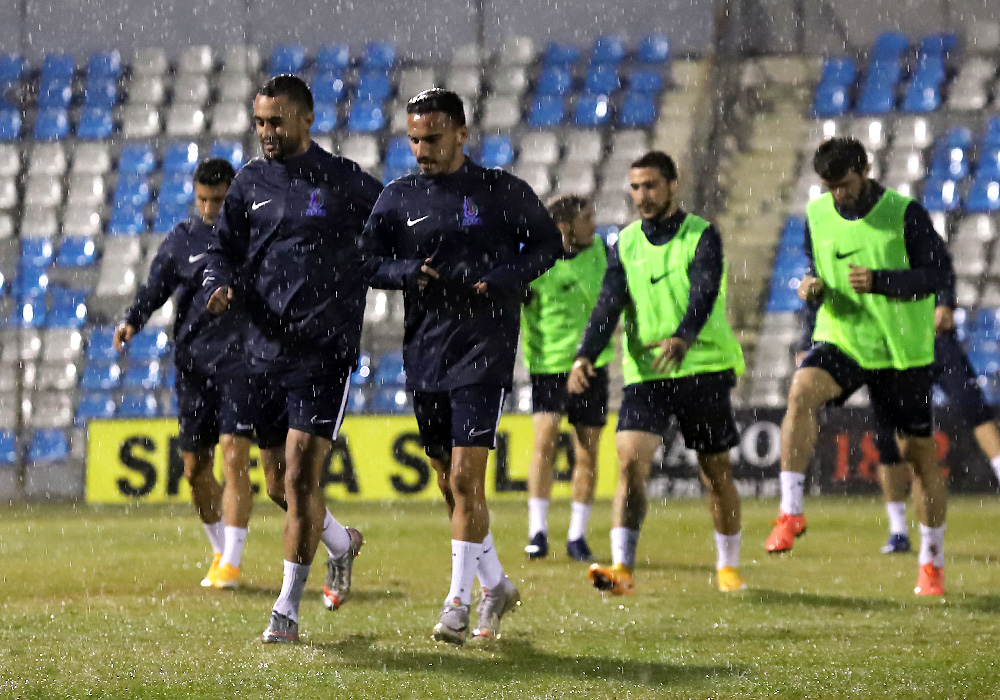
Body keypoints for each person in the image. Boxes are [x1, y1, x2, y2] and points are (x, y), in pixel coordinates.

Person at [360, 88, 562, 645]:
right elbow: (364, 260)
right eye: (414, 139)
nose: (421, 149)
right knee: (450, 483)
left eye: (432, 138)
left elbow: (547, 244)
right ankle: (495, 585)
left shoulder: (501, 191)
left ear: (462, 135)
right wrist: (405, 272)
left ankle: (456, 603)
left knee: (467, 479)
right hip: (426, 352)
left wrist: (505, 277)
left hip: (484, 349)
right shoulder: (398, 198)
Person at [203, 75, 382, 643]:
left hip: (322, 354)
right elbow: (223, 250)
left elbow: (394, 226)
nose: (267, 132)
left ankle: (286, 612)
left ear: (306, 118)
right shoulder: (249, 182)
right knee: (281, 488)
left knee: (302, 475)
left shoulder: (344, 180)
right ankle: (341, 542)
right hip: (261, 352)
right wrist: (217, 284)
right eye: (260, 122)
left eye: (276, 122)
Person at [768, 136, 951, 596]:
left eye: (845, 184)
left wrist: (882, 281)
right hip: (845, 338)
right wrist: (811, 289)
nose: (839, 195)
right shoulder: (817, 215)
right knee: (801, 391)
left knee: (918, 456)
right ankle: (790, 511)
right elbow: (817, 271)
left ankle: (931, 561)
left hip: (901, 351)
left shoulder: (904, 214)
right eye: (830, 187)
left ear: (866, 170)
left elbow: (937, 275)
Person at [568, 150, 747, 596]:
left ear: (672, 185)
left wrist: (684, 336)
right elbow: (608, 304)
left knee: (715, 471)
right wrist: (585, 355)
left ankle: (728, 566)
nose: (642, 196)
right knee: (630, 461)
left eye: (650, 186)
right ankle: (622, 568)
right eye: (635, 187)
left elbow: (704, 291)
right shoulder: (626, 243)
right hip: (648, 373)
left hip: (703, 366)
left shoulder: (701, 235)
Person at [114, 158, 254, 589]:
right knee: (194, 468)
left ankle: (232, 562)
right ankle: (219, 550)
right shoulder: (182, 239)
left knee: (234, 454)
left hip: (241, 362)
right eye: (203, 200)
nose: (210, 209)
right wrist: (132, 320)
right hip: (193, 366)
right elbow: (155, 287)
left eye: (218, 200)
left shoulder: (252, 235)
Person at [520, 195, 613, 563]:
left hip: (591, 364)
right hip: (549, 366)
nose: (594, 224)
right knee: (544, 441)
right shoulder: (536, 262)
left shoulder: (603, 253)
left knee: (586, 450)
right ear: (564, 226)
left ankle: (577, 535)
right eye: (586, 218)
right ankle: (537, 531)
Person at [870, 303, 1000, 554]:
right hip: (897, 345)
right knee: (888, 437)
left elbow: (942, 296)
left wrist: (944, 304)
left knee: (973, 406)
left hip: (935, 342)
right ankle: (898, 529)